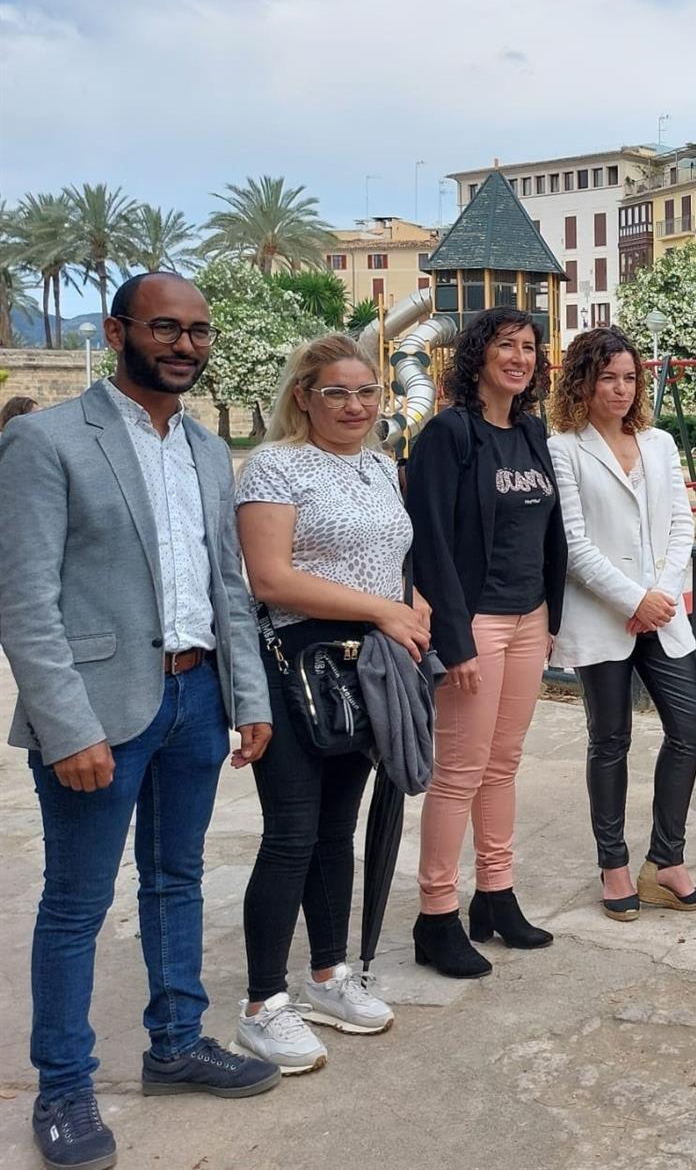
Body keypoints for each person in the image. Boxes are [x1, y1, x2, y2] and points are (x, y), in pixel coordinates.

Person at [1, 271, 280, 1170]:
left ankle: (176, 1043)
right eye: (166, 329)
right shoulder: (46, 441)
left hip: (197, 700)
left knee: (177, 879)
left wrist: (248, 697)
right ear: (119, 330)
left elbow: (227, 584)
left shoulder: (204, 448)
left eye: (198, 331)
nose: (185, 346)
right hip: (98, 711)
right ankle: (66, 1088)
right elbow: (25, 600)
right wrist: (64, 725)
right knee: (77, 905)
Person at [231, 335, 425, 1072]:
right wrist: (382, 611)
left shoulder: (381, 466)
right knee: (290, 832)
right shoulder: (275, 465)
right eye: (337, 392)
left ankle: (327, 974)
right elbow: (271, 578)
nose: (355, 405)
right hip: (295, 663)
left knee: (336, 829)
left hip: (367, 668)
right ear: (303, 395)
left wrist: (407, 613)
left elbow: (393, 560)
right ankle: (260, 1004)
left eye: (367, 391)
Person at [405, 307, 568, 978]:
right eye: (507, 345)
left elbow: (549, 530)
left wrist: (551, 615)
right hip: (476, 623)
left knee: (503, 766)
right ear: (478, 355)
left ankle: (495, 895)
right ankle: (435, 913)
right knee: (459, 773)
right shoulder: (448, 434)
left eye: (529, 347)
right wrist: (454, 639)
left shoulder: (533, 432)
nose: (520, 357)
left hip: (529, 618)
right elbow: (431, 540)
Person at [549, 327, 696, 915]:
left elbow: (679, 526)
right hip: (603, 615)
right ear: (583, 382)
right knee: (610, 739)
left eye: (629, 377)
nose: (620, 389)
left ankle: (666, 859)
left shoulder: (660, 443)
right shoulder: (563, 448)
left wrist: (659, 596)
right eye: (607, 378)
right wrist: (631, 601)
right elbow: (572, 543)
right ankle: (613, 865)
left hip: (659, 611)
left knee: (692, 723)